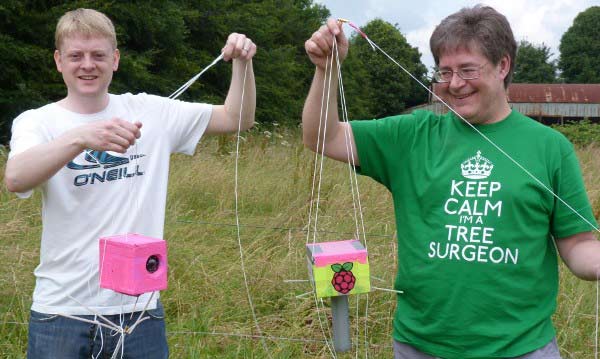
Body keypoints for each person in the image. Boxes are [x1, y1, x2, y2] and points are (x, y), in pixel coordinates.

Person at [303, 5, 600, 359]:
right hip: (420, 346)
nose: (455, 84)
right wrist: (327, 70)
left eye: (467, 70)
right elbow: (322, 137)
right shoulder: (411, 134)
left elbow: (578, 243)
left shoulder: (551, 147)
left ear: (502, 66)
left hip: (521, 349)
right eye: (444, 72)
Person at [4, 8, 256, 359]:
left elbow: (237, 117)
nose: (87, 65)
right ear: (59, 61)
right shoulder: (37, 121)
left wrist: (242, 63)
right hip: (60, 312)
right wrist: (80, 138)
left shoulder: (151, 112)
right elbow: (16, 179)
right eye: (76, 56)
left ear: (116, 59)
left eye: (98, 55)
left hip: (139, 312)